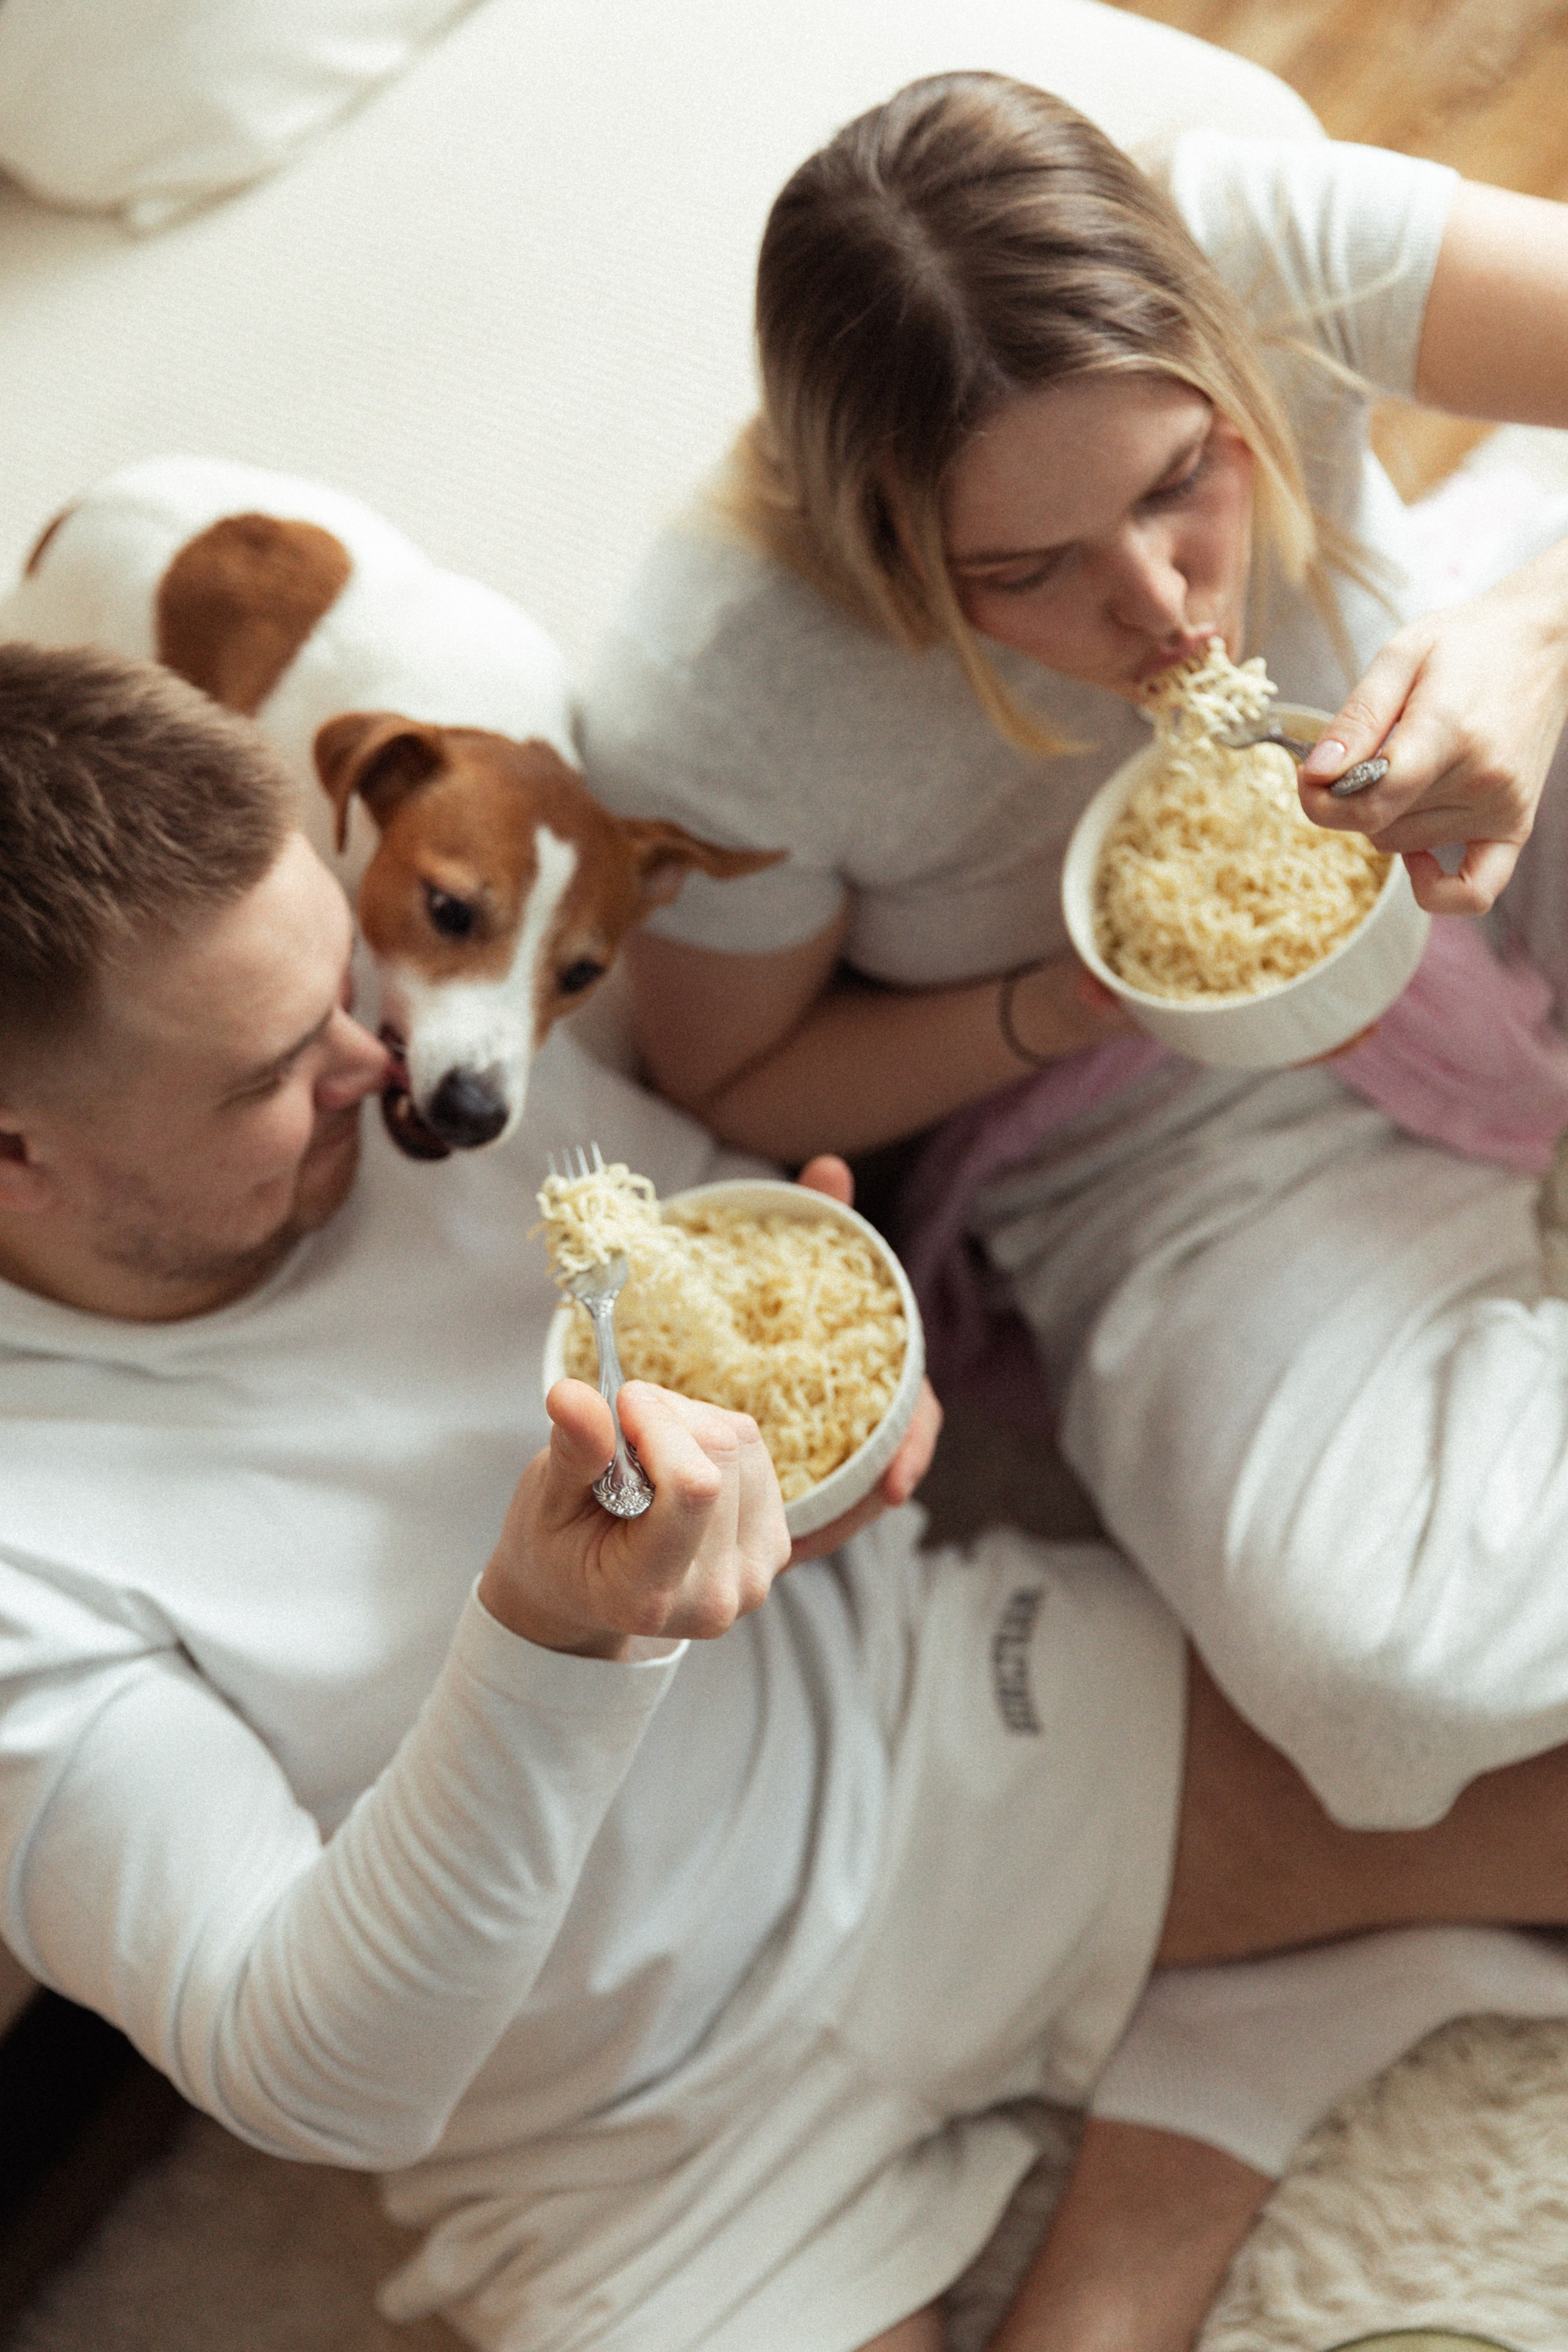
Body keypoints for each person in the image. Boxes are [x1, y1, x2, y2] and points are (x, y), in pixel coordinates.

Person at [7, 642, 1568, 2352]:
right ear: (20, 1153)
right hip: (620, 2150)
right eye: (264, 1077)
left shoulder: (417, 1058)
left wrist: (830, 1415)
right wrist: (549, 1635)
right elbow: (317, 2078)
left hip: (953, 1737)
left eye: (340, 984)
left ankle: (1203, 2086)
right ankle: (1212, 2099)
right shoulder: (31, 1556)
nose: (381, 1065)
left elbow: (727, 1227)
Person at [579, 70, 1568, 1831]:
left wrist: (1532, 632)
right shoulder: (720, 692)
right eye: (1027, 570)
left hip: (1460, 779)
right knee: (1379, 1681)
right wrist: (1072, 997)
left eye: (1185, 479)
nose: (1163, 606)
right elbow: (742, 1077)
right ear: (897, 560)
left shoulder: (1264, 237)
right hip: (1143, 1113)